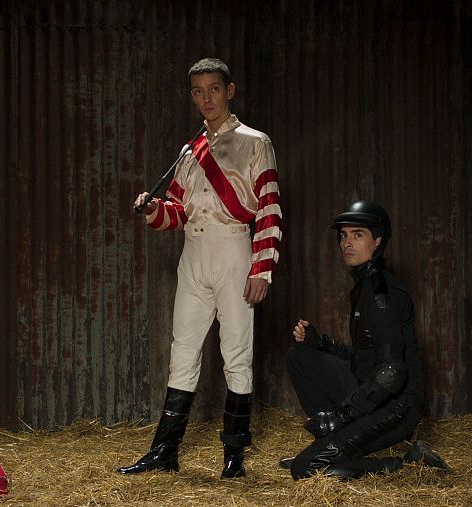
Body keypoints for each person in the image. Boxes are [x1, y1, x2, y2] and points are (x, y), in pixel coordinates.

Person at [118, 58, 282, 479]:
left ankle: (234, 456)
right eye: (197, 91)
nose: (206, 98)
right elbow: (177, 213)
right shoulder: (189, 151)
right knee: (182, 352)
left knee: (237, 357)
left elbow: (269, 209)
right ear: (192, 96)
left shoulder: (255, 141)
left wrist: (261, 269)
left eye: (213, 89)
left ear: (230, 90)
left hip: (233, 252)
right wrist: (154, 208)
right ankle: (165, 451)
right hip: (193, 255)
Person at [283, 201, 448, 479]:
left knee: (306, 468)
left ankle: (408, 464)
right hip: (374, 390)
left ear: (378, 241)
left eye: (357, 235)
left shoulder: (381, 295)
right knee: (300, 356)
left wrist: (342, 415)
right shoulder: (366, 287)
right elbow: (364, 361)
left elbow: (391, 373)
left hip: (397, 406)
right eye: (343, 236)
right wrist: (319, 342)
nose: (347, 243)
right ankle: (329, 445)